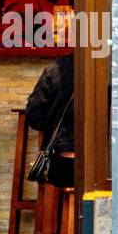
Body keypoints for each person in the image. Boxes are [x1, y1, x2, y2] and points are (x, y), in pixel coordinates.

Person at [26, 51, 75, 187]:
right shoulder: (115, 67)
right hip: (108, 169)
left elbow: (35, 119)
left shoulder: (56, 69)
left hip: (64, 166)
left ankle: (61, 207)